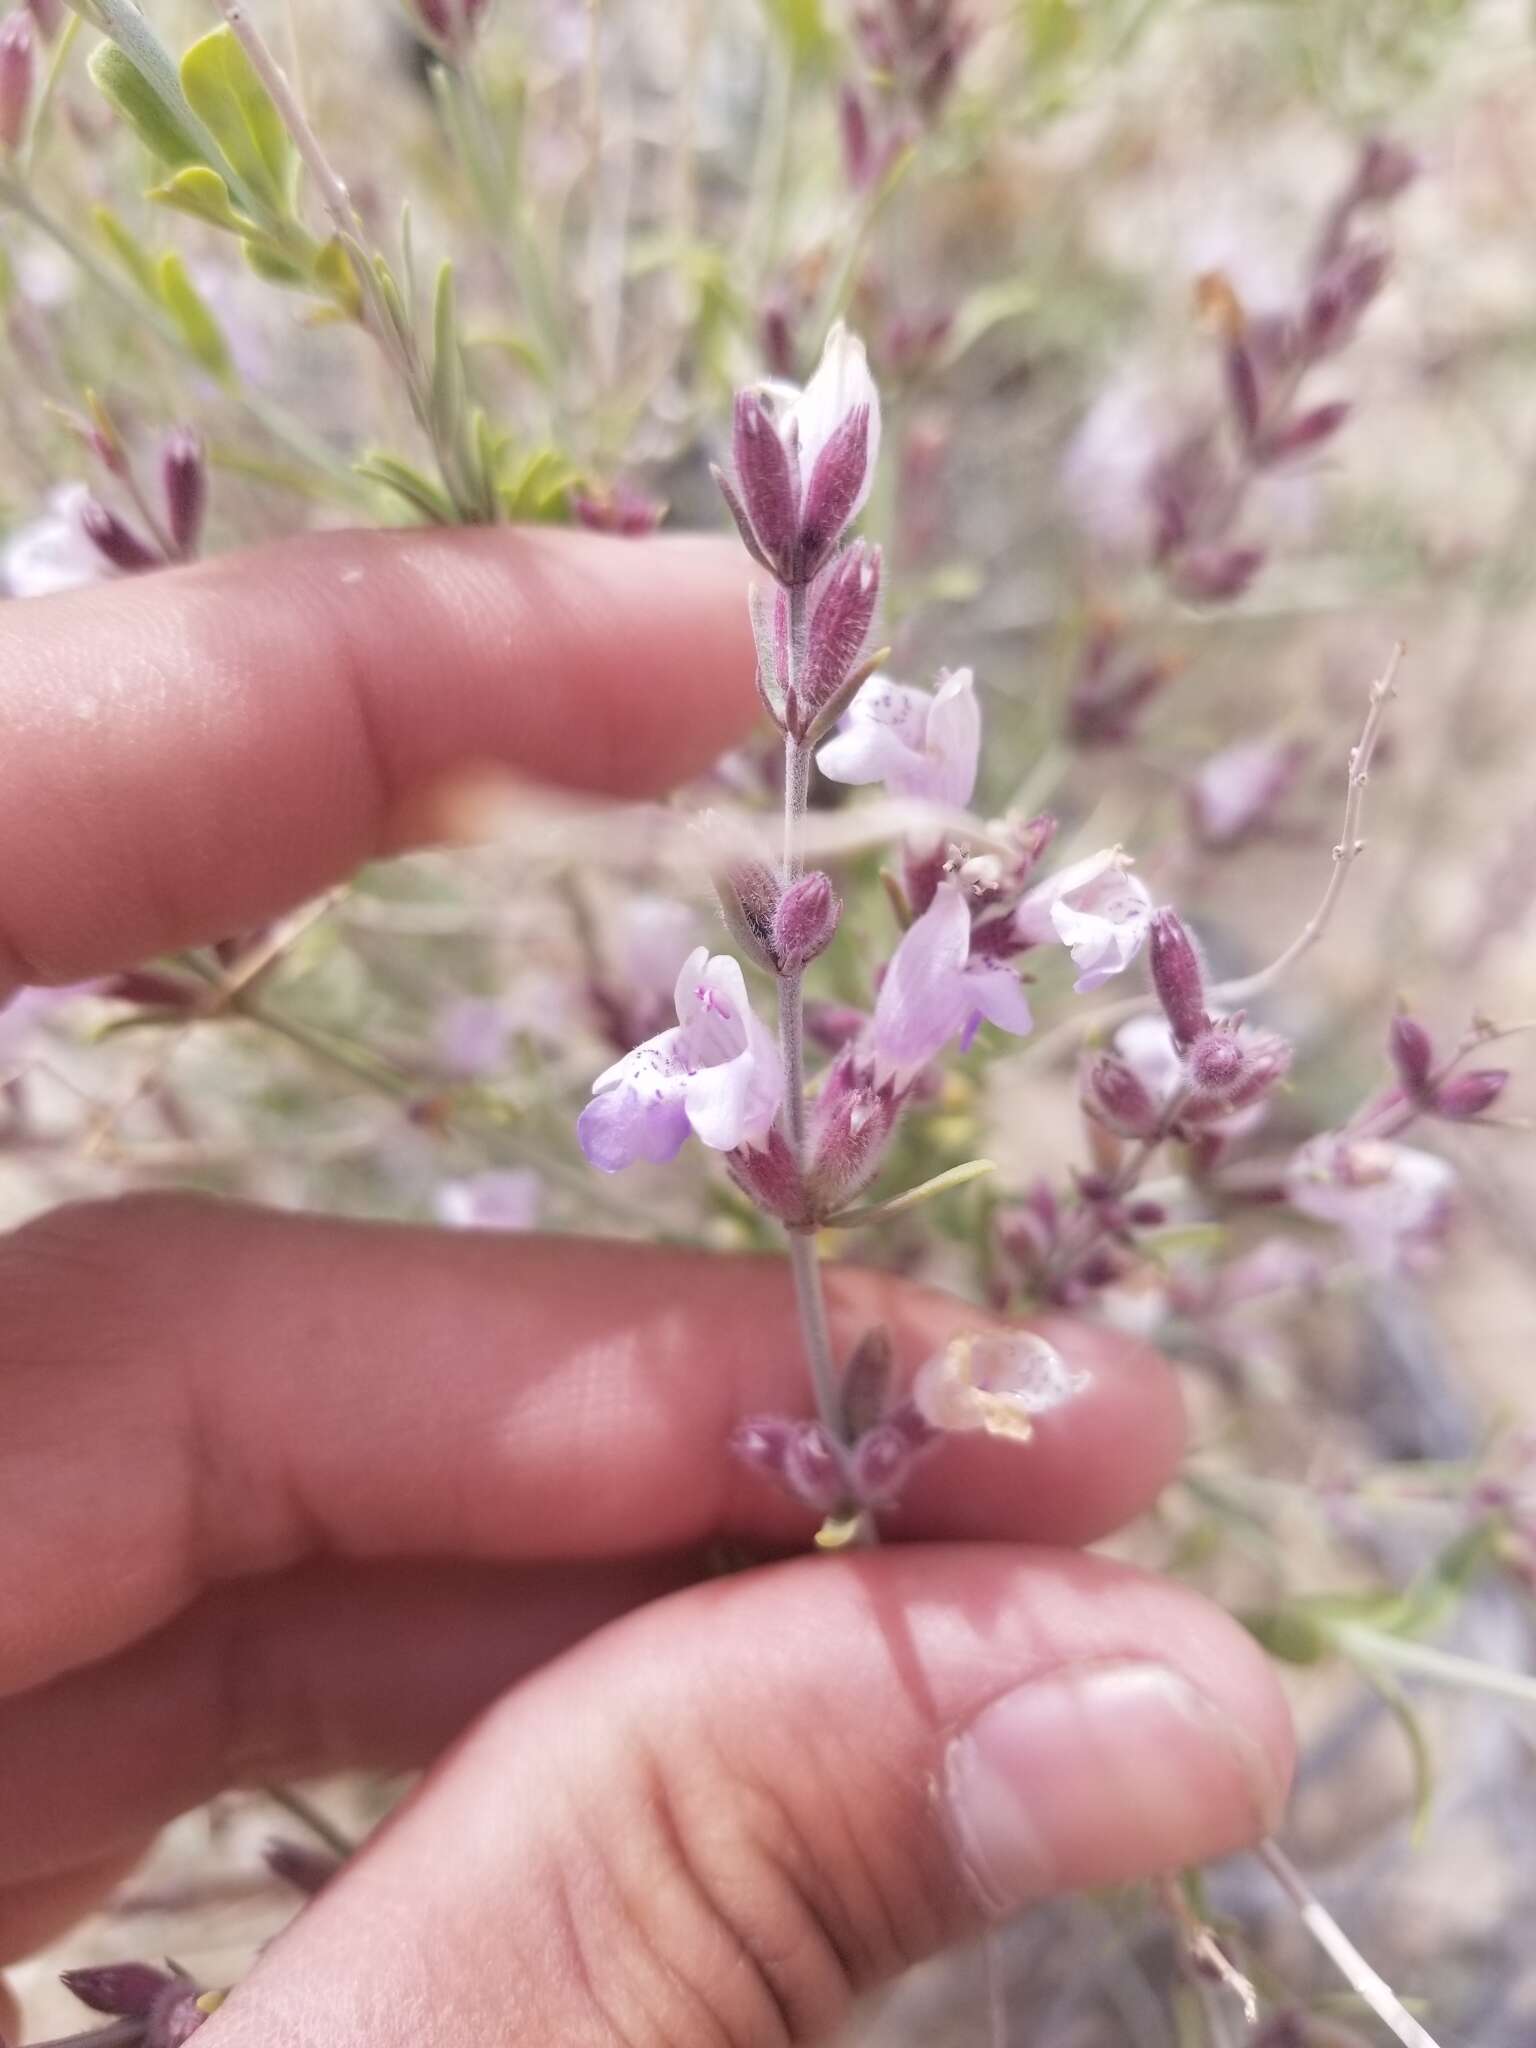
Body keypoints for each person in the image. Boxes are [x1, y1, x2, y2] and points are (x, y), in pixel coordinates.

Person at [0, 526, 1292, 2046]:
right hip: (834, 1093)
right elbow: (730, 1061)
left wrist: (925, 971)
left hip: (864, 1068)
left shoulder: (912, 932)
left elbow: (929, 977)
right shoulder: (762, 1013)